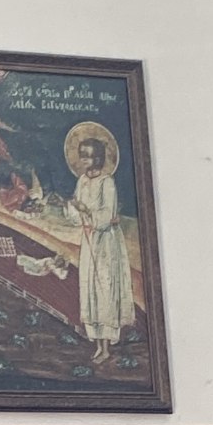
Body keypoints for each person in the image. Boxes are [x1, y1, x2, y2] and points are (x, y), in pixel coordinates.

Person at [60, 124, 133, 364]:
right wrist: (73, 209)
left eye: (88, 156)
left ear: (98, 158)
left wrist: (87, 211)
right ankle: (97, 343)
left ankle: (106, 347)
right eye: (81, 156)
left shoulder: (106, 182)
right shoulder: (82, 181)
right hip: (89, 239)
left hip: (106, 243)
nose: (83, 160)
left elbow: (106, 216)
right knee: (90, 287)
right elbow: (75, 213)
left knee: (104, 288)